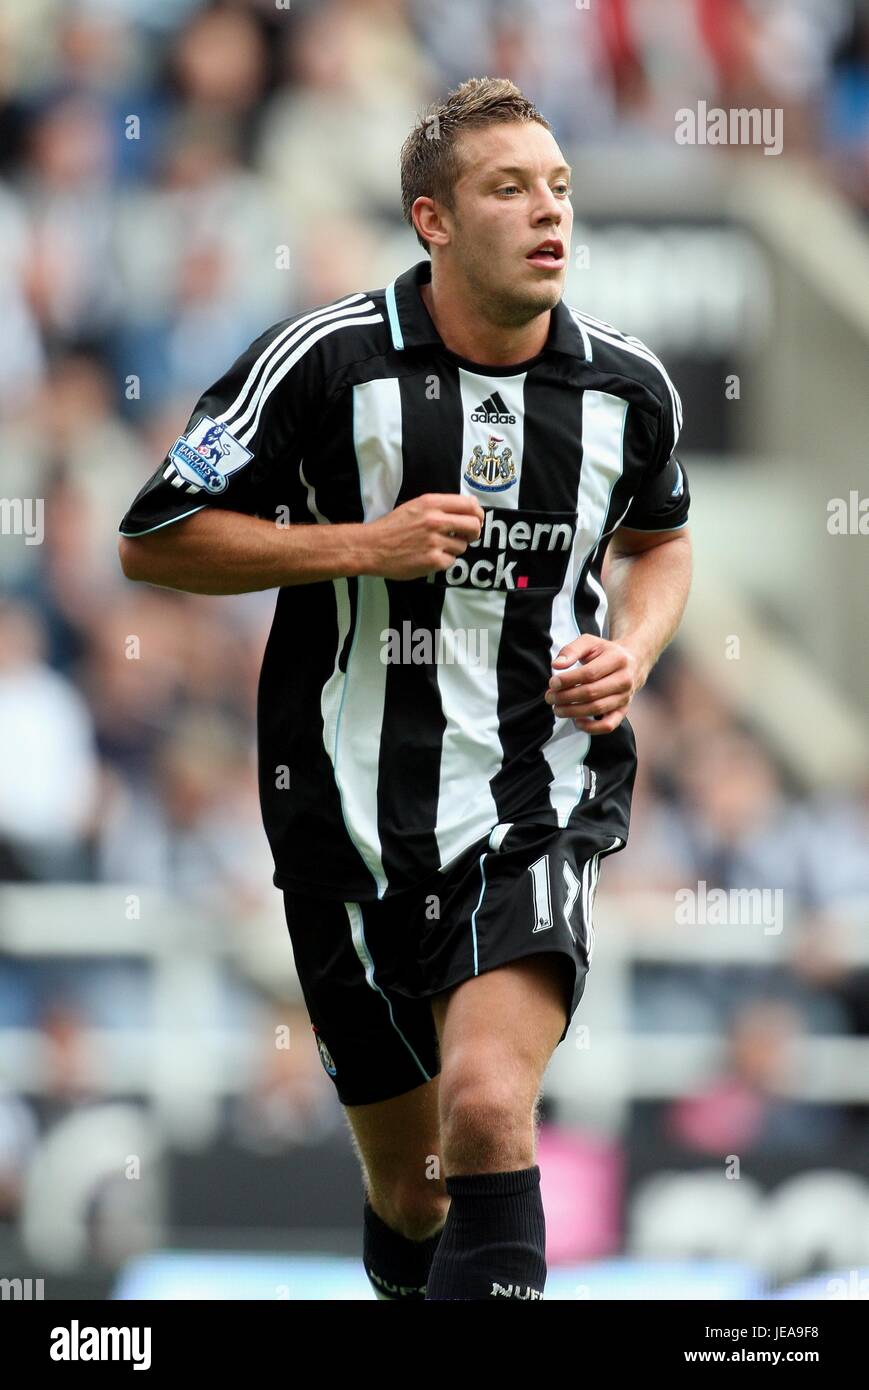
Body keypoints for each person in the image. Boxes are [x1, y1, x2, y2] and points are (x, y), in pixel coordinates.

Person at [118, 76, 692, 1301]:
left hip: (530, 799)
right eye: (508, 188)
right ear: (431, 219)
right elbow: (154, 536)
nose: (548, 212)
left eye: (559, 188)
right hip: (341, 820)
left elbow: (659, 539)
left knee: (485, 1109)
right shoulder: (324, 363)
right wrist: (355, 545)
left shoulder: (624, 390)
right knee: (414, 1187)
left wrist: (631, 653)